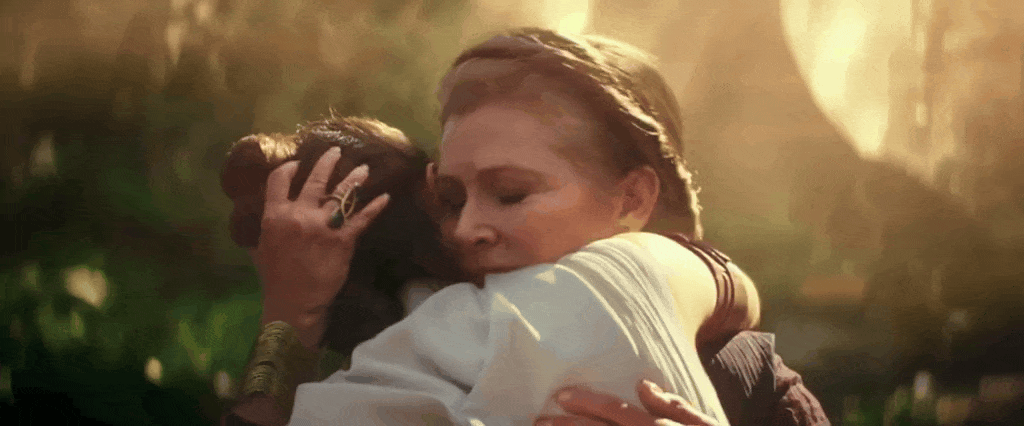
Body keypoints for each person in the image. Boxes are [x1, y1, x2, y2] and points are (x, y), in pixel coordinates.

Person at [223, 27, 828, 426]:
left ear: (633, 197)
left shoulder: (743, 376)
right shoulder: (408, 350)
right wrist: (293, 315)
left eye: (511, 193)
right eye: (451, 199)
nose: (466, 229)